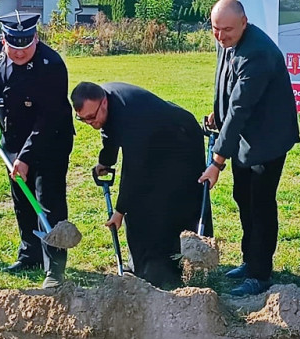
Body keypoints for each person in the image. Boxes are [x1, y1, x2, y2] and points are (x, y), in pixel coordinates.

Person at [199, 0, 299, 297]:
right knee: (243, 197)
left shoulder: (258, 53)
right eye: (215, 29)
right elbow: (226, 82)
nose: (220, 36)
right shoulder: (228, 40)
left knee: (260, 204)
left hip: (267, 140)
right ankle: (248, 260)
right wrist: (218, 112)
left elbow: (241, 108)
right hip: (244, 137)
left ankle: (260, 274)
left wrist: (217, 162)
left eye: (227, 29)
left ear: (244, 22)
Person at [71, 81, 203, 289]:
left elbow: (135, 169)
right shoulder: (106, 105)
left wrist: (120, 210)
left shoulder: (130, 116)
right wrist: (106, 161)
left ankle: (172, 266)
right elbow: (109, 130)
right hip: (155, 139)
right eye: (83, 119)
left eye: (92, 117)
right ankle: (142, 264)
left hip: (181, 139)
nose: (91, 123)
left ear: (103, 102)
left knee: (166, 200)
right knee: (142, 204)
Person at [0, 11, 73, 289]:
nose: (19, 52)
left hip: (50, 138)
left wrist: (26, 157)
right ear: (5, 40)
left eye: (26, 46)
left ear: (36, 38)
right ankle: (29, 254)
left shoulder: (51, 65)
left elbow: (49, 118)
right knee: (21, 194)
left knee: (47, 199)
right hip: (14, 135)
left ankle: (54, 267)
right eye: (13, 46)